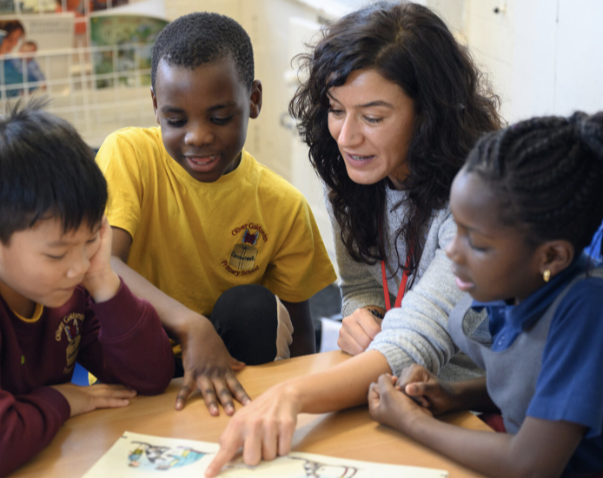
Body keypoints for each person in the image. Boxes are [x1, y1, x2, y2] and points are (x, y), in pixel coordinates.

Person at [206, 3, 501, 474]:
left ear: (429, 114)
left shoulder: (477, 198)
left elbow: (420, 336)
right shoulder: (352, 172)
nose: (347, 136)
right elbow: (363, 285)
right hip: (395, 390)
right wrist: (362, 314)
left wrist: (291, 394)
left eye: (374, 117)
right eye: (336, 110)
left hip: (473, 407)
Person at [367, 112, 603, 477]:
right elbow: (533, 383)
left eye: (477, 243)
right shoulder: (505, 281)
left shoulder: (591, 309)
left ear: (551, 256)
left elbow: (531, 463)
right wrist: (452, 394)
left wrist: (411, 423)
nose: (453, 250)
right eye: (458, 228)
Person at [0, 99, 174, 478]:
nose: (79, 266)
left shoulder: (70, 279)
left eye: (88, 242)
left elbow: (150, 376)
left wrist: (104, 282)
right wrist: (62, 399)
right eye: (57, 254)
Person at [96, 12, 336, 416]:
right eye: (176, 119)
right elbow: (102, 263)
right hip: (141, 361)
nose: (198, 136)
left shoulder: (283, 206)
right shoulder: (128, 155)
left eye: (220, 117)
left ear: (254, 100)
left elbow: (298, 339)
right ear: (155, 107)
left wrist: (302, 405)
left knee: (252, 308)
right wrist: (192, 325)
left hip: (231, 367)